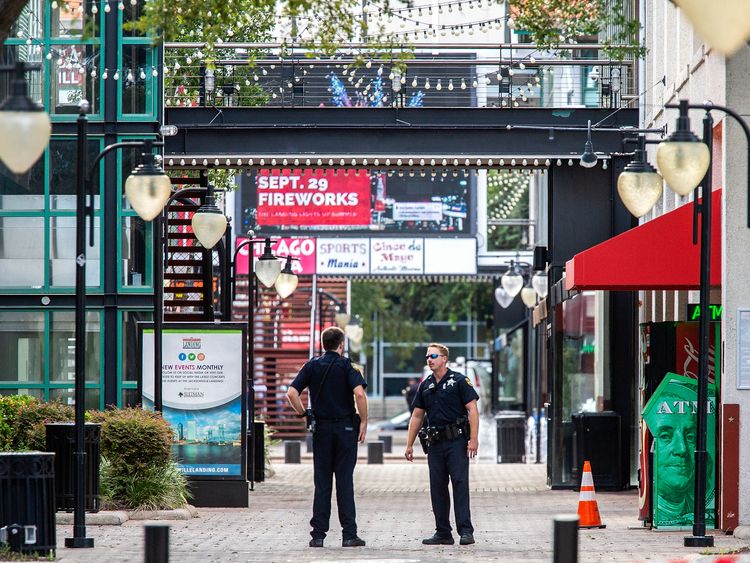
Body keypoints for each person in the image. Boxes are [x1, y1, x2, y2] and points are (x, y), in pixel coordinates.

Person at [286, 326, 369, 548]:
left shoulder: (312, 365)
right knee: (344, 482)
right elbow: (359, 393)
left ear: (324, 344)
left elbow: (291, 393)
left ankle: (318, 535)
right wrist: (364, 420)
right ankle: (349, 535)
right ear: (341, 345)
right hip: (345, 430)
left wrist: (303, 413)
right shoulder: (348, 366)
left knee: (322, 483)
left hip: (321, 430)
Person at [404, 343, 479, 546]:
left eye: (433, 356)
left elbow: (472, 409)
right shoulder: (426, 385)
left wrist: (473, 439)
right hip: (435, 444)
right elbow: (417, 415)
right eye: (427, 356)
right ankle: (443, 532)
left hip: (457, 442)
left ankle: (466, 531)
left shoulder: (459, 381)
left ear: (444, 358)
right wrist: (409, 444)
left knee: (459, 484)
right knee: (437, 488)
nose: (429, 359)